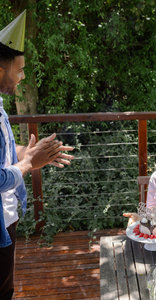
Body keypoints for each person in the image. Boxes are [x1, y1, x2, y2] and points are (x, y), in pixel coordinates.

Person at [0, 11, 74, 299]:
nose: (23, 76)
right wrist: (30, 163)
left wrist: (30, 152)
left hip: (7, 216)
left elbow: (6, 154)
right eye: (19, 70)